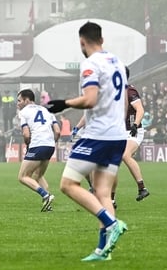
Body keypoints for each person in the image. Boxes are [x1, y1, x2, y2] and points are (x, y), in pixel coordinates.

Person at [45, 21, 128, 262]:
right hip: (117, 135)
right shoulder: (118, 62)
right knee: (103, 193)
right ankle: (104, 251)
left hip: (98, 135)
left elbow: (90, 100)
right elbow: (122, 103)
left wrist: (65, 103)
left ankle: (111, 224)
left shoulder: (90, 64)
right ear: (101, 38)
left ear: (82, 42)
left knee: (67, 184)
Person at [16, 89, 61, 212]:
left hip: (37, 144)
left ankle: (45, 195)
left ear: (27, 100)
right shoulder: (46, 110)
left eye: (19, 100)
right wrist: (52, 142)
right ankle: (48, 205)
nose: (18, 103)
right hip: (50, 145)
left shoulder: (24, 112)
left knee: (23, 176)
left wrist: (28, 144)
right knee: (38, 175)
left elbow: (26, 134)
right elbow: (57, 131)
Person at [117, 66, 150, 202]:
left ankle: (142, 188)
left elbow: (140, 109)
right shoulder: (115, 91)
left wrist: (135, 125)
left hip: (132, 130)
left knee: (125, 155)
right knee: (111, 163)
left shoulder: (130, 91)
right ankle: (111, 198)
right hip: (119, 132)